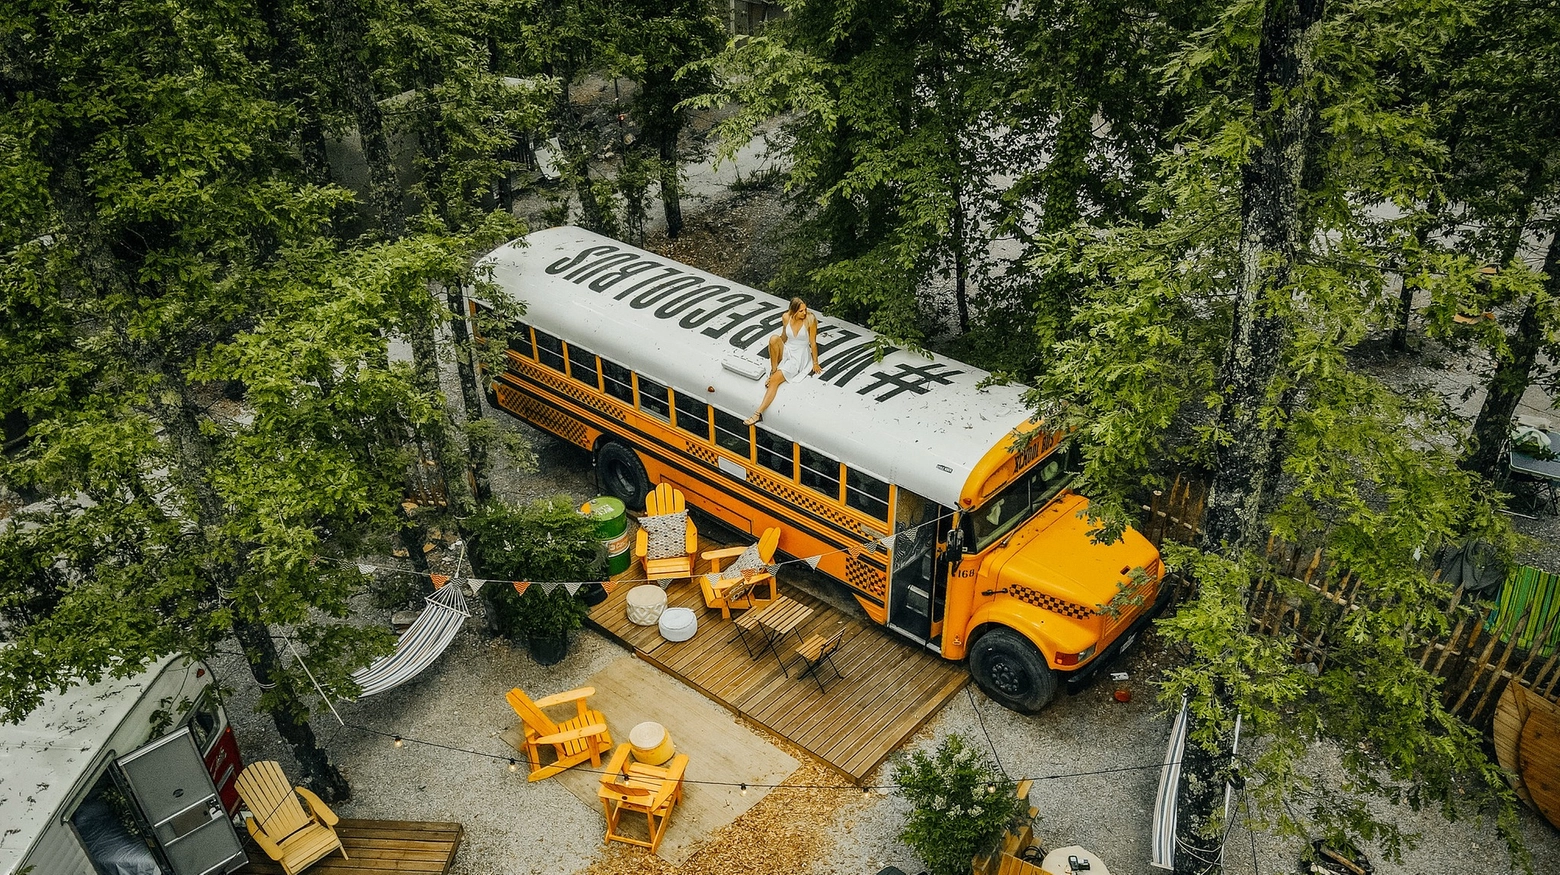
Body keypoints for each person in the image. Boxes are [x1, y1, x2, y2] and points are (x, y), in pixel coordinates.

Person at [744, 297, 822, 426]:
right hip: (788, 349)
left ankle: (758, 413)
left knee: (775, 381)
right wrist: (776, 347)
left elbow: (813, 343)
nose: (804, 313)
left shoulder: (810, 320)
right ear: (793, 311)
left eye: (805, 310)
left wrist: (815, 363)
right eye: (801, 311)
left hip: (800, 355)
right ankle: (773, 369)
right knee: (774, 338)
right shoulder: (786, 317)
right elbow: (784, 336)